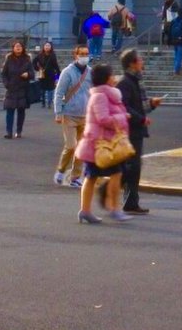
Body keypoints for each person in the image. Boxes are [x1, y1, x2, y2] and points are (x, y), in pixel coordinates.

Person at [74, 62, 132, 224]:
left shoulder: (108, 95)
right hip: (99, 144)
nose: (114, 78)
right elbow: (103, 119)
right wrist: (123, 118)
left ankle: (90, 210)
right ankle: (109, 208)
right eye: (112, 75)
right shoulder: (100, 96)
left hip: (105, 143)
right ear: (107, 78)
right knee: (98, 175)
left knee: (99, 175)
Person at [117, 48, 162, 214]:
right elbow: (125, 107)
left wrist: (151, 104)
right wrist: (141, 118)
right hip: (129, 130)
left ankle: (130, 201)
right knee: (132, 167)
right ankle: (114, 191)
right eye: (140, 60)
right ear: (132, 64)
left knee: (133, 167)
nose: (142, 62)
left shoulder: (135, 81)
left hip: (137, 129)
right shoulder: (125, 82)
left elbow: (138, 105)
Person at [53, 44, 93, 187]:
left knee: (81, 147)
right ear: (75, 56)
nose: (84, 57)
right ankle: (61, 169)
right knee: (71, 146)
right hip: (69, 114)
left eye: (86, 54)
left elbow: (94, 91)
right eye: (81, 54)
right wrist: (58, 112)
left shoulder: (90, 72)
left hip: (85, 115)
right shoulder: (67, 72)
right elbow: (59, 93)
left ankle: (75, 177)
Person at [1, 40, 34, 138]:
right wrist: (6, 84)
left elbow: (32, 74)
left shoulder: (27, 59)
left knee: (21, 111)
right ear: (13, 48)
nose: (18, 48)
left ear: (23, 48)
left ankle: (19, 130)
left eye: (20, 46)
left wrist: (28, 74)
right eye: (16, 46)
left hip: (23, 88)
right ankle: (9, 132)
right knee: (9, 111)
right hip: (11, 88)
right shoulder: (9, 59)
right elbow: (4, 74)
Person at [32, 41, 61, 108]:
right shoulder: (40, 55)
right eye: (46, 45)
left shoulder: (53, 55)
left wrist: (58, 76)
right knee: (42, 89)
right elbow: (34, 61)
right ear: (44, 47)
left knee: (51, 89)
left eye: (48, 46)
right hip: (42, 74)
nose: (47, 47)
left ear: (51, 47)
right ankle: (43, 102)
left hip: (51, 74)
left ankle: (49, 103)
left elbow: (56, 66)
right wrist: (37, 68)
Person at [167, 7, 182, 74]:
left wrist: (168, 42)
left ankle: (175, 68)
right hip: (181, 41)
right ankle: (176, 70)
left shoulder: (173, 21)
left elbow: (169, 32)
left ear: (177, 13)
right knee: (179, 56)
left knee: (176, 55)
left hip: (174, 41)